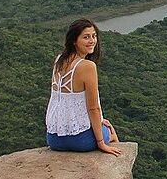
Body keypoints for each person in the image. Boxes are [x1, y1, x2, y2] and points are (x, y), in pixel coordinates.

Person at [45, 18, 122, 156]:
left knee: (102, 122)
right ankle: (114, 154)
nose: (92, 40)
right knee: (109, 128)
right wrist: (100, 143)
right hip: (80, 141)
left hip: (54, 139)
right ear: (74, 40)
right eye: (86, 37)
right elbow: (93, 108)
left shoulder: (58, 60)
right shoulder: (87, 66)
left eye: (94, 36)